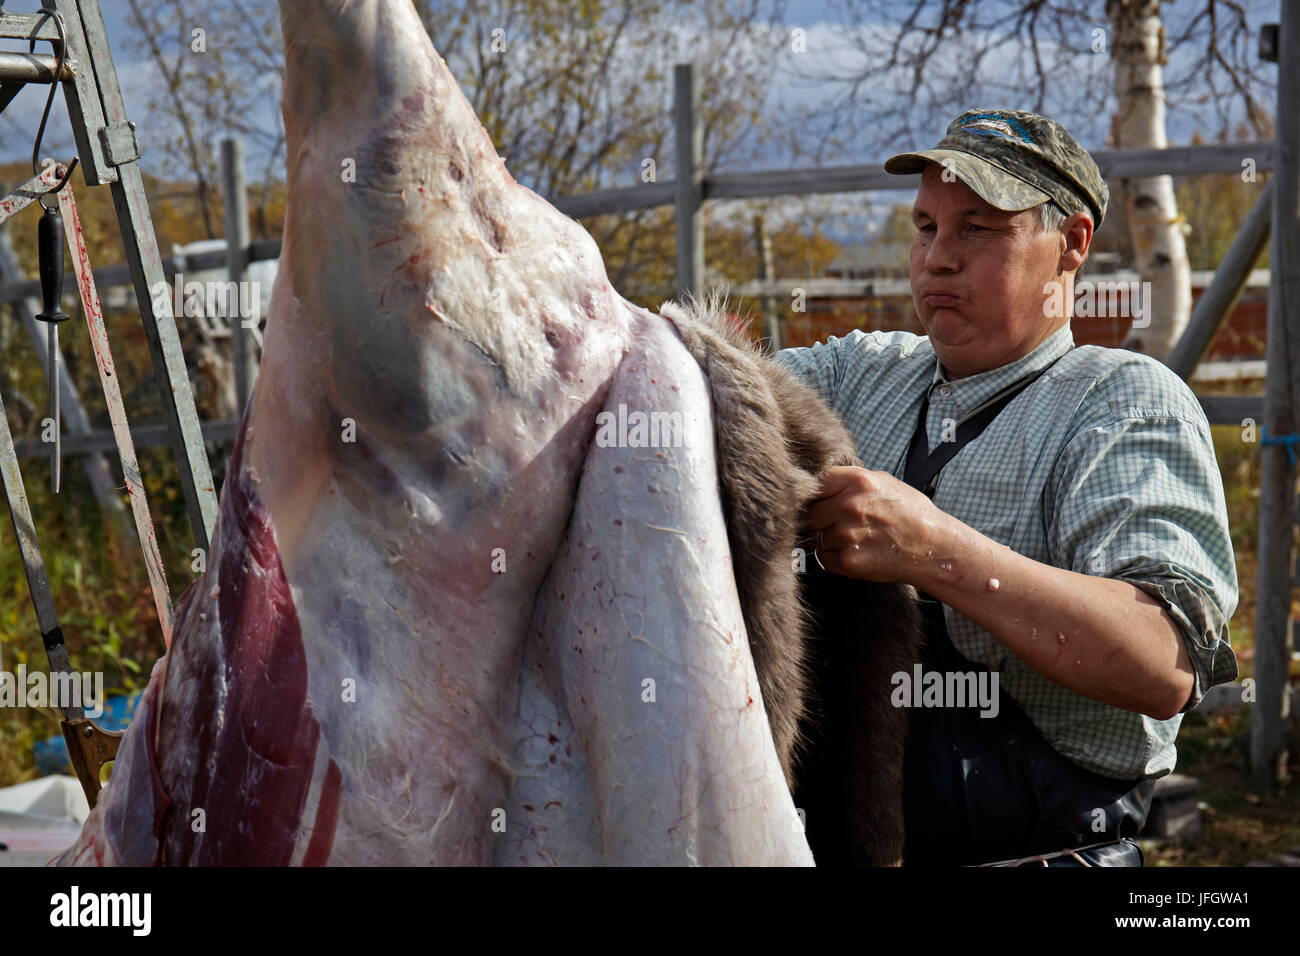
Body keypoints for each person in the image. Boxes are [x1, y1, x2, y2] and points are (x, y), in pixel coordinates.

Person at [774, 108, 1239, 867]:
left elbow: (1164, 661)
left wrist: (933, 550)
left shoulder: (1121, 401)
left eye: (979, 229)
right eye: (926, 227)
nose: (937, 259)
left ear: (1073, 244)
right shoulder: (864, 375)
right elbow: (708, 390)